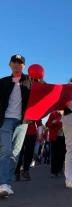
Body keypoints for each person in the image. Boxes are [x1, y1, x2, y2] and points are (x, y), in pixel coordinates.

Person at [0, 54, 32, 197]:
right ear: (10, 64)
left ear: (23, 66)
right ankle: (4, 183)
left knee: (15, 153)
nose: (17, 65)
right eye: (14, 62)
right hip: (5, 120)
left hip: (22, 122)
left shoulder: (30, 82)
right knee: (5, 151)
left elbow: (42, 95)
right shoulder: (3, 82)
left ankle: (5, 182)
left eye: (20, 63)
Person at [46, 111, 66, 177]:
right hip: (55, 137)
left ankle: (60, 169)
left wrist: (57, 122)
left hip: (64, 137)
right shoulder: (53, 114)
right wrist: (52, 122)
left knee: (62, 154)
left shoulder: (67, 113)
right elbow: (48, 124)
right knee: (54, 154)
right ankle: (54, 171)